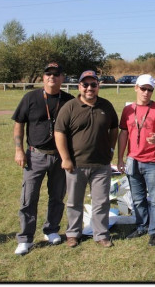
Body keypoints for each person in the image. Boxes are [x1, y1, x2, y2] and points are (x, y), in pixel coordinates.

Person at [12, 62, 74, 255]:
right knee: (29, 197)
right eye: (48, 74)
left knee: (57, 196)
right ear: (43, 76)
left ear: (62, 77)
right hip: (35, 155)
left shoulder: (69, 100)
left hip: (60, 157)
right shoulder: (30, 98)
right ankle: (25, 238)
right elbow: (19, 124)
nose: (52, 77)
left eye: (56, 74)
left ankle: (52, 230)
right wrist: (18, 150)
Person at [54, 70, 118, 248]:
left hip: (101, 164)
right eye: (85, 85)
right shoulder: (70, 107)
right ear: (79, 86)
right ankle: (73, 234)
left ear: (98, 86)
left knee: (101, 201)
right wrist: (65, 158)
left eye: (93, 85)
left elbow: (114, 128)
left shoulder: (106, 106)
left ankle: (101, 234)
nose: (89, 88)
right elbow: (59, 133)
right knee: (75, 201)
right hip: (76, 164)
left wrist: (111, 148)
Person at [116, 74, 155, 247]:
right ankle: (142, 225)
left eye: (150, 90)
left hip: (152, 161)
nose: (146, 93)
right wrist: (120, 158)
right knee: (138, 198)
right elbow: (123, 134)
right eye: (143, 89)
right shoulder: (128, 110)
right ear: (136, 88)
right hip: (132, 160)